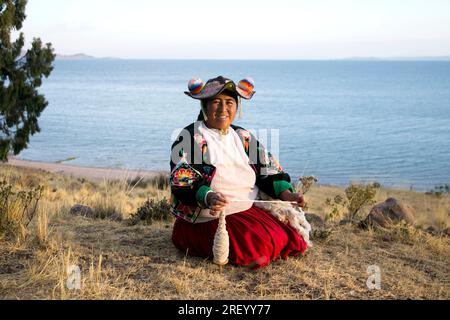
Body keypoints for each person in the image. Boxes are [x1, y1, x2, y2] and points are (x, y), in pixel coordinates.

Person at [170, 76, 308, 269]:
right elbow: (183, 180)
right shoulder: (190, 136)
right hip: (208, 217)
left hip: (245, 208)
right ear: (204, 106)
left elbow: (267, 168)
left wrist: (287, 193)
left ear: (237, 106)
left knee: (290, 238)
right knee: (259, 248)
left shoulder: (242, 136)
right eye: (216, 102)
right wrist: (208, 197)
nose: (223, 109)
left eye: (229, 103)